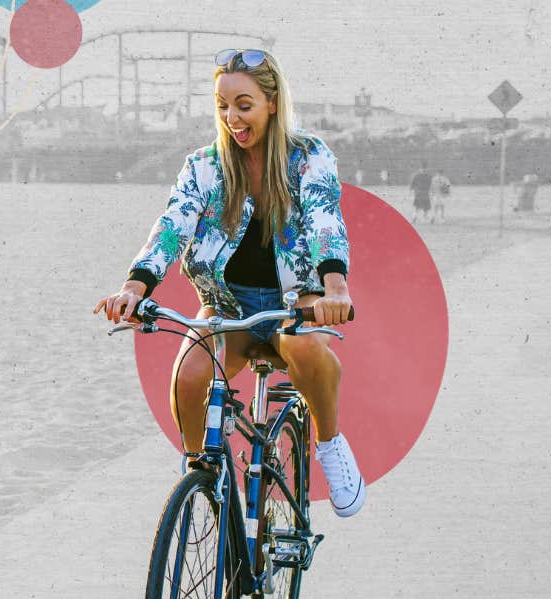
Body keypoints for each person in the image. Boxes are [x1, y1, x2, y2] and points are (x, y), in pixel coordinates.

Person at [94, 49, 365, 518]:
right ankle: (204, 478)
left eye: (244, 104)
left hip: (296, 300)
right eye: (222, 105)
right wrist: (135, 287)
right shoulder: (204, 166)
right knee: (189, 375)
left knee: (301, 348)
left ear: (272, 103)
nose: (232, 117)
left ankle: (330, 445)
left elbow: (325, 219)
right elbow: (172, 224)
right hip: (227, 305)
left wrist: (334, 287)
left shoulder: (308, 157)